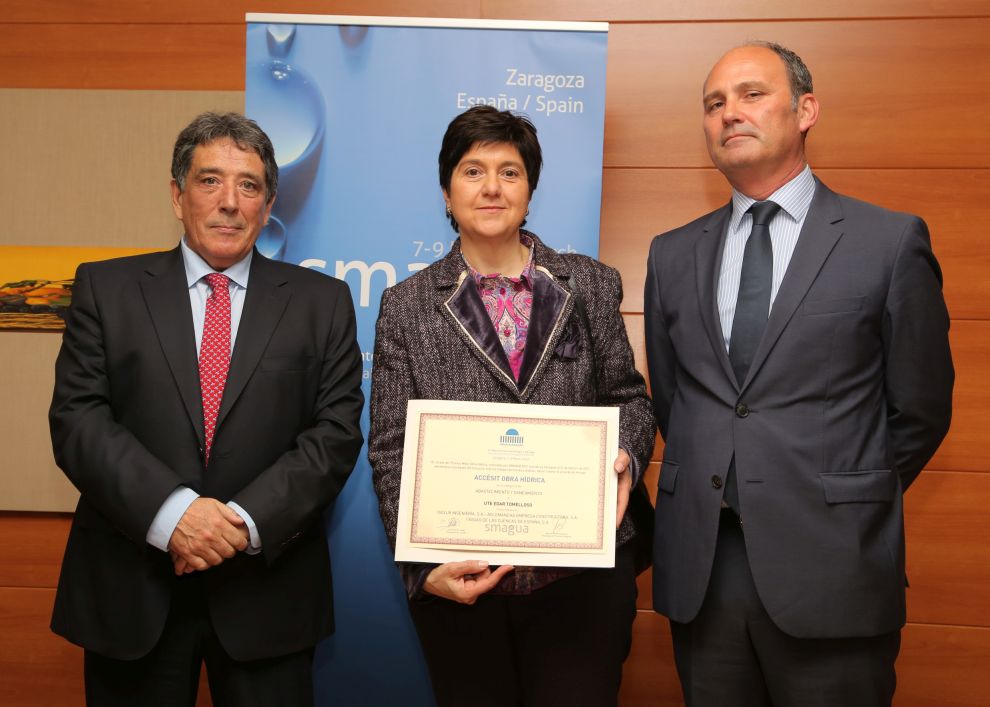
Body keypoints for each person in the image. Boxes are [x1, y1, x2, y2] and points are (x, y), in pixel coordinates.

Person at [644, 41, 954, 706]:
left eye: (751, 94)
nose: (730, 113)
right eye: (714, 104)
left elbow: (921, 408)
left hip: (834, 566)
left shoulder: (888, 242)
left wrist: (837, 491)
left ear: (806, 109)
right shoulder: (671, 255)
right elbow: (675, 401)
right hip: (705, 572)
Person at [48, 112, 364, 706]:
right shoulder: (106, 289)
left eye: (249, 186)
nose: (229, 202)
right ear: (177, 195)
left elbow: (336, 433)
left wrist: (239, 523)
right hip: (132, 590)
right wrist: (175, 516)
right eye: (209, 180)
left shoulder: (322, 303)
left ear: (268, 206)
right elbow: (79, 421)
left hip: (267, 596)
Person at [368, 105, 655, 707]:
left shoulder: (589, 284)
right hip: (463, 581)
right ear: (447, 192)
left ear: (530, 190)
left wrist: (625, 457)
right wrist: (423, 570)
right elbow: (392, 447)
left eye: (510, 172)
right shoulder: (406, 305)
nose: (492, 188)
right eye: (473, 171)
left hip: (581, 581)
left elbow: (628, 398)